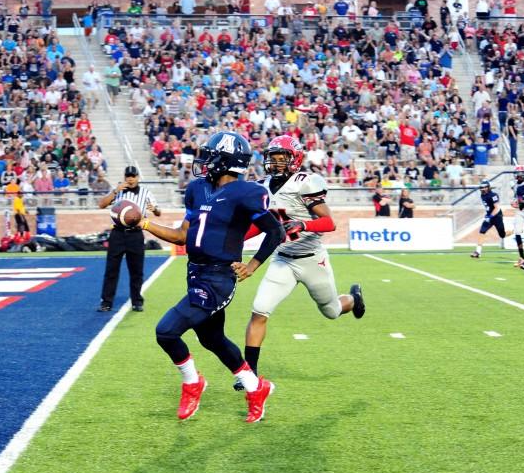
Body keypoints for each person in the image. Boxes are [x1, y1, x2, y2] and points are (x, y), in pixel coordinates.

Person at [140, 131, 285, 423]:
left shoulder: (247, 192)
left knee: (166, 331)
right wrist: (143, 223)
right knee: (212, 339)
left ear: (226, 160)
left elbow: (276, 231)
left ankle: (192, 382)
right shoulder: (198, 189)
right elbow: (182, 235)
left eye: (211, 155)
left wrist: (253, 265)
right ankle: (256, 388)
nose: (205, 160)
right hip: (195, 272)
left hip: (219, 278)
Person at [242, 135, 364, 386]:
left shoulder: (305, 183)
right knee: (259, 311)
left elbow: (329, 223)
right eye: (272, 159)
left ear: (294, 160)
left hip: (312, 259)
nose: (275, 164)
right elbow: (261, 226)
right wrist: (236, 240)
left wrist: (304, 223)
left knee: (331, 311)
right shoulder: (262, 186)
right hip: (283, 260)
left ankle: (353, 299)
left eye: (281, 159)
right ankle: (248, 375)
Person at [97, 165, 159, 313]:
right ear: (125, 177)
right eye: (128, 176)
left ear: (138, 177)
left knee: (136, 270)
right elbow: (101, 204)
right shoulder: (117, 192)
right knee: (111, 269)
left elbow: (158, 212)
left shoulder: (145, 193)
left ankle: (137, 301)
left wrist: (155, 209)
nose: (130, 179)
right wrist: (115, 191)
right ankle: (106, 302)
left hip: (135, 234)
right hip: (117, 233)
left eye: (133, 176)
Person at [470, 180, 506, 258]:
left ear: (488, 187)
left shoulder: (493, 195)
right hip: (489, 216)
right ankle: (478, 252)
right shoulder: (482, 195)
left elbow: (496, 208)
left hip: (497, 216)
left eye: (484, 187)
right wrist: (488, 216)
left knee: (502, 235)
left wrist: (490, 216)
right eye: (481, 188)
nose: (482, 189)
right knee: (482, 231)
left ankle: (513, 232)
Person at [509, 166, 524, 266]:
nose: (519, 175)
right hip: (519, 211)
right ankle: (521, 258)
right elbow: (516, 198)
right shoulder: (515, 185)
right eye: (518, 173)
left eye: (521, 173)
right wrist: (514, 203)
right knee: (517, 233)